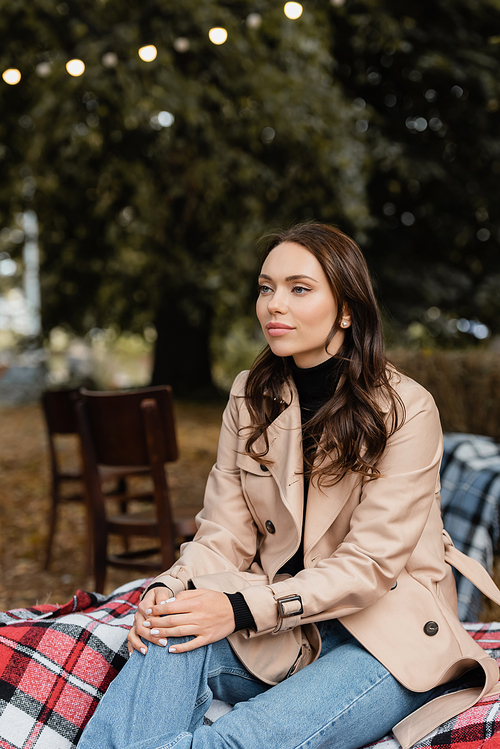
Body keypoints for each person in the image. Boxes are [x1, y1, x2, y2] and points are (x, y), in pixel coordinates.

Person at [78, 223, 500, 749]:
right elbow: (222, 535)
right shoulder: (250, 395)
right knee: (170, 629)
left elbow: (367, 567)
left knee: (238, 741)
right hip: (284, 628)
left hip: (383, 634)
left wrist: (234, 608)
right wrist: (174, 587)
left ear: (346, 309)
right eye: (265, 287)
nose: (274, 304)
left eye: (299, 288)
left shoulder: (408, 409)